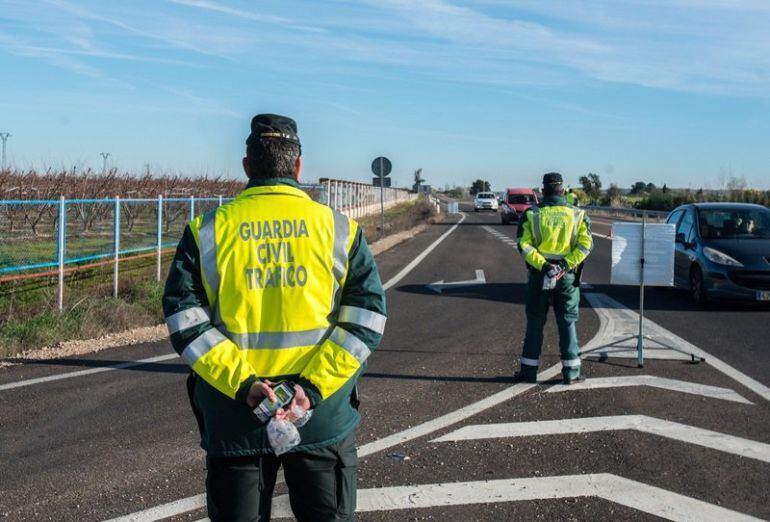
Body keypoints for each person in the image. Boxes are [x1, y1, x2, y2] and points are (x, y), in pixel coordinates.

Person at [162, 113, 386, 521]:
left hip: (237, 417)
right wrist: (311, 390)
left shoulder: (206, 232)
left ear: (247, 166)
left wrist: (245, 385)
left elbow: (185, 320)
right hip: (320, 418)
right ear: (298, 166)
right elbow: (366, 319)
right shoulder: (341, 231)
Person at [513, 172, 593, 384]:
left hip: (540, 275)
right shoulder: (577, 214)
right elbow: (586, 245)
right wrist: (564, 266)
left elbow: (523, 244)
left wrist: (545, 265)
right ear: (563, 190)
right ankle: (572, 373)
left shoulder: (532, 214)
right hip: (567, 277)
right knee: (567, 322)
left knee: (535, 322)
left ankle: (528, 372)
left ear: (542, 191)